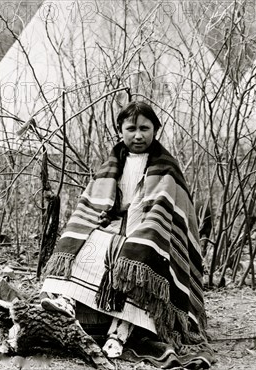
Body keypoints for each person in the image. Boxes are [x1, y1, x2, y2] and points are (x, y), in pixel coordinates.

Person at [40, 101, 210, 361]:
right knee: (85, 242)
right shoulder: (112, 164)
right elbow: (93, 204)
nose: (138, 135)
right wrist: (97, 226)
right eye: (131, 128)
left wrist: (142, 233)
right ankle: (68, 302)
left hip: (149, 229)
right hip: (114, 224)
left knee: (138, 257)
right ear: (121, 129)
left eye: (145, 128)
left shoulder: (166, 167)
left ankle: (120, 331)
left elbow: (166, 212)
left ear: (155, 130)